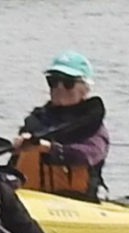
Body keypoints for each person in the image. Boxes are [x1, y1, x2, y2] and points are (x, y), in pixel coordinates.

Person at [11, 50, 110, 201]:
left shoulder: (93, 127)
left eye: (68, 82)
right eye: (53, 81)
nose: (59, 88)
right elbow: (12, 168)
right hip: (29, 198)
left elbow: (89, 154)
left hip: (77, 203)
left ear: (85, 88)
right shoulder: (36, 122)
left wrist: (50, 148)